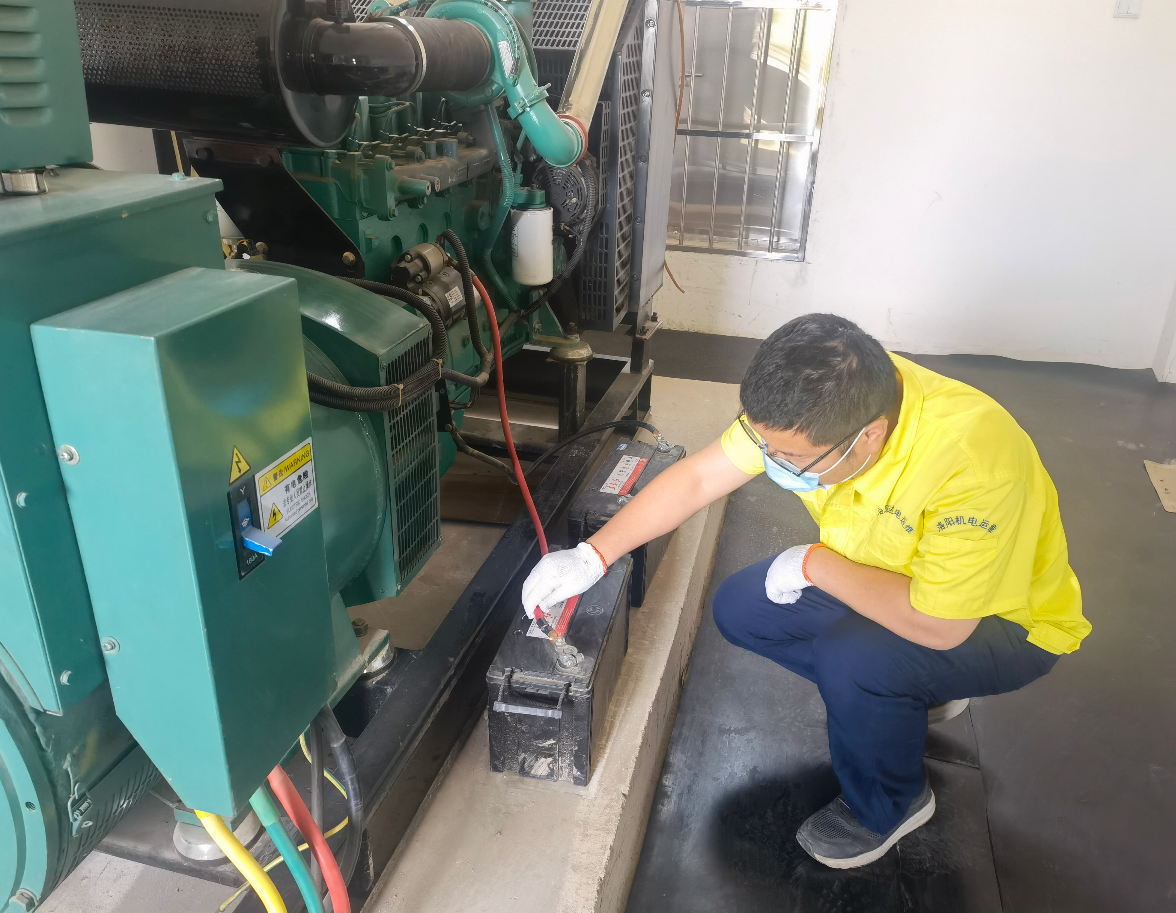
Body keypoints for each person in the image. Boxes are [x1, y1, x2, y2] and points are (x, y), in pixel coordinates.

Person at [520, 313, 1090, 869]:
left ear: (870, 435)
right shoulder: (822, 398)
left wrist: (816, 564)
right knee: (744, 609)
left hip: (1000, 625)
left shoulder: (973, 466)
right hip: (884, 577)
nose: (772, 463)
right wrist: (593, 555)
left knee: (855, 661)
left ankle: (891, 803)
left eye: (790, 459)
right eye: (765, 447)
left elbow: (940, 627)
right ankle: (902, 697)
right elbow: (700, 477)